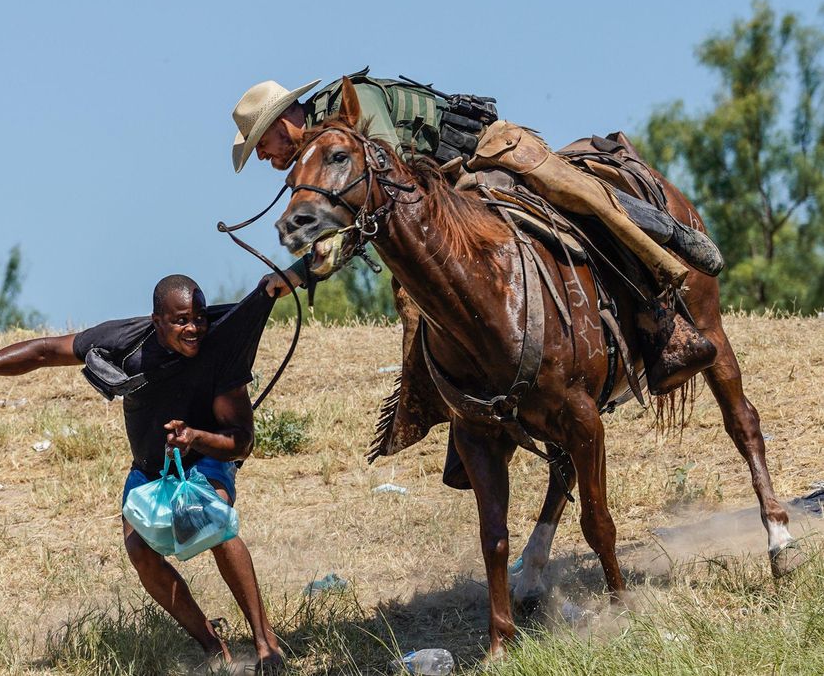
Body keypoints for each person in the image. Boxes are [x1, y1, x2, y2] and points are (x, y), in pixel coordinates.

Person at [232, 69, 722, 480]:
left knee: (580, 201)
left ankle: (664, 282)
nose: (261, 156)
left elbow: (386, 188)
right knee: (423, 296)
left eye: (262, 142)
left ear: (285, 120)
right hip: (441, 199)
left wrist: (302, 270)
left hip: (484, 158)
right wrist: (300, 270)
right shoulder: (319, 155)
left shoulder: (351, 108)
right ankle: (466, 409)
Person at [0, 276, 285, 672]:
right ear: (157, 321)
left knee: (212, 520)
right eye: (182, 320)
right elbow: (45, 352)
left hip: (204, 458)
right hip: (150, 470)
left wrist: (196, 437)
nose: (194, 329)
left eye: (200, 318)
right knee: (140, 552)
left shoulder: (221, 350)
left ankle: (264, 642)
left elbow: (241, 442)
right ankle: (212, 647)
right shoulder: (124, 341)